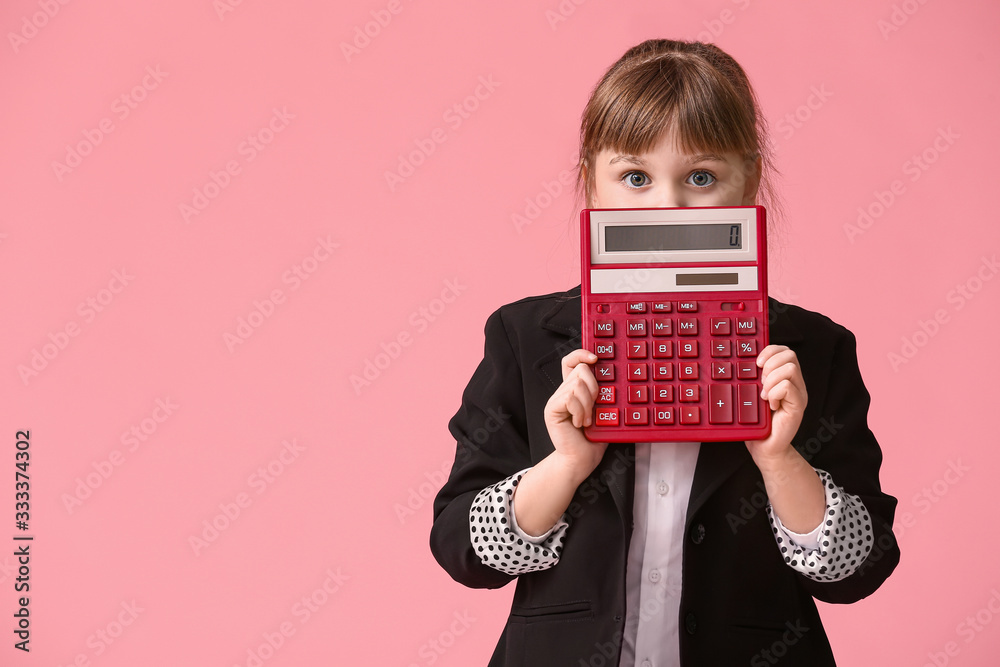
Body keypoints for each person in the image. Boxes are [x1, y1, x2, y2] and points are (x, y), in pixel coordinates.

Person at [429, 39, 899, 667]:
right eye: (635, 177)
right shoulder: (525, 336)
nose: (667, 206)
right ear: (590, 181)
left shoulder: (814, 350)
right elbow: (461, 550)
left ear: (749, 181)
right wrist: (564, 468)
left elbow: (857, 574)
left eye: (701, 177)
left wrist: (781, 461)